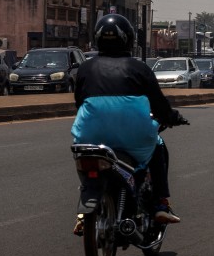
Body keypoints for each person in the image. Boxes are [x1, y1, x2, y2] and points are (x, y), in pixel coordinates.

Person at [71, 14, 187, 226]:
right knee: (158, 146)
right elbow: (159, 105)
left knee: (86, 161)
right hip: (134, 137)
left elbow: (79, 102)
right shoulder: (140, 68)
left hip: (88, 135)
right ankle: (161, 204)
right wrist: (173, 117)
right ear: (128, 40)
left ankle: (84, 211)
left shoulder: (85, 68)